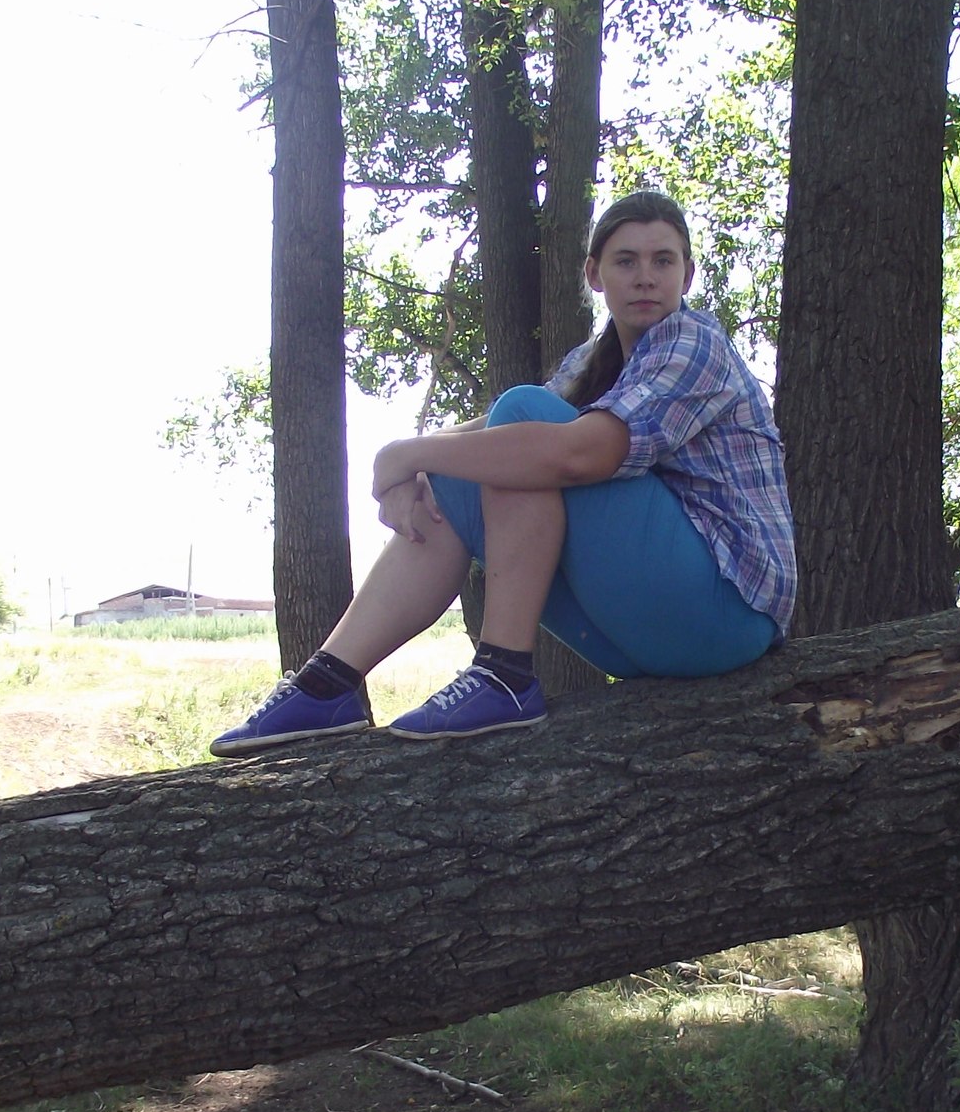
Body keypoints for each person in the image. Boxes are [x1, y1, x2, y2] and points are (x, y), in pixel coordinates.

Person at [210, 189, 795, 754]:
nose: (646, 276)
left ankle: (504, 673)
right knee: (476, 462)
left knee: (521, 427)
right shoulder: (593, 360)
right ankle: (327, 684)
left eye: (662, 261)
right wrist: (413, 461)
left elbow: (578, 454)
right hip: (642, 635)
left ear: (687, 276)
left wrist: (409, 457)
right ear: (595, 275)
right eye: (626, 261)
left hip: (728, 613)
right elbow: (491, 433)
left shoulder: (694, 342)